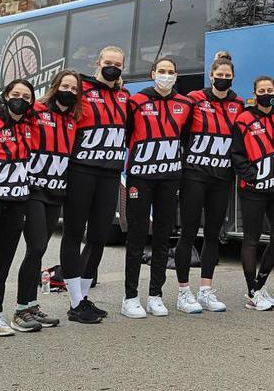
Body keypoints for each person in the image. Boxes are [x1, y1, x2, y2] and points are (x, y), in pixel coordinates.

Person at [62, 45, 129, 323]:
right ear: (98, 63)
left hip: (110, 174)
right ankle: (75, 301)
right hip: (81, 171)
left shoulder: (125, 96)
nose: (112, 67)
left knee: (99, 235)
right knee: (74, 233)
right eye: (108, 62)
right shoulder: (81, 90)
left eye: (118, 63)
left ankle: (84, 297)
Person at [121, 58, 193, 318]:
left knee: (163, 238)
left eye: (170, 72)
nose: (165, 76)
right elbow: (127, 134)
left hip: (169, 178)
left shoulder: (185, 104)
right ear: (153, 74)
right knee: (137, 237)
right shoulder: (137, 101)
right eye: (161, 71)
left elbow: (184, 138)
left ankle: (155, 295)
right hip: (140, 177)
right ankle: (130, 297)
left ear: (176, 76)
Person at [173, 52, 243, 313]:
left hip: (221, 178)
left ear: (233, 78)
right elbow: (178, 131)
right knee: (188, 233)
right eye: (219, 75)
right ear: (210, 76)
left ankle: (205, 290)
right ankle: (183, 292)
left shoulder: (238, 105)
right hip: (194, 175)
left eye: (227, 76)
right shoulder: (195, 99)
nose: (223, 79)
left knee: (214, 235)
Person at [12, 71, 82, 331]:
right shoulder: (37, 110)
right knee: (37, 246)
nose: (69, 91)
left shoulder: (74, 119)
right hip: (34, 190)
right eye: (65, 86)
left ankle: (31, 305)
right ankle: (20, 310)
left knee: (39, 249)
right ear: (55, 87)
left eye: (74, 89)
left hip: (57, 192)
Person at [230, 76, 274, 311]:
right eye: (262, 90)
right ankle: (252, 292)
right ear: (255, 93)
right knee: (251, 239)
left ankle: (260, 285)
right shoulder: (244, 119)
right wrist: (252, 176)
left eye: (270, 89)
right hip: (253, 191)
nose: (266, 93)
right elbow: (236, 154)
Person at [0, 79, 34, 336]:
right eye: (16, 94)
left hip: (16, 201)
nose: (21, 99)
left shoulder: (29, 125)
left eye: (26, 96)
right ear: (5, 95)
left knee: (2, 260)